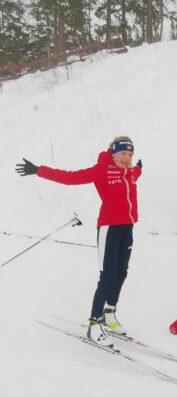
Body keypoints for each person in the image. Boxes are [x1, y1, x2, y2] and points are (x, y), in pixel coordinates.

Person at [15, 137, 142, 346]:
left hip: (127, 228)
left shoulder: (130, 172)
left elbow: (137, 172)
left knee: (121, 272)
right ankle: (94, 325)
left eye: (130, 155)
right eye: (123, 154)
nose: (127, 159)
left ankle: (110, 313)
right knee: (108, 276)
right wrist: (39, 170)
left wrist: (139, 168)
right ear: (113, 154)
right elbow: (69, 178)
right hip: (109, 229)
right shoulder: (101, 170)